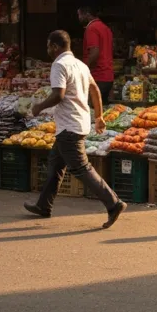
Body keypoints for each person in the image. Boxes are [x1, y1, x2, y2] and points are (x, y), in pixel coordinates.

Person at [26, 30, 126, 228]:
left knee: (81, 168)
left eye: (48, 46)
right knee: (56, 165)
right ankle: (43, 205)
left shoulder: (59, 65)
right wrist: (98, 116)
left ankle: (113, 203)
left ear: (55, 46)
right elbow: (95, 89)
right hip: (77, 123)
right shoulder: (80, 64)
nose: (47, 50)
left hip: (69, 127)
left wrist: (39, 106)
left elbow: (58, 95)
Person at [78, 6, 114, 106]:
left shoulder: (91, 28)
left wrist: (82, 69)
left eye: (80, 15)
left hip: (97, 77)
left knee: (92, 113)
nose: (79, 18)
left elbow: (94, 52)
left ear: (87, 15)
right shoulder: (105, 27)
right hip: (108, 76)